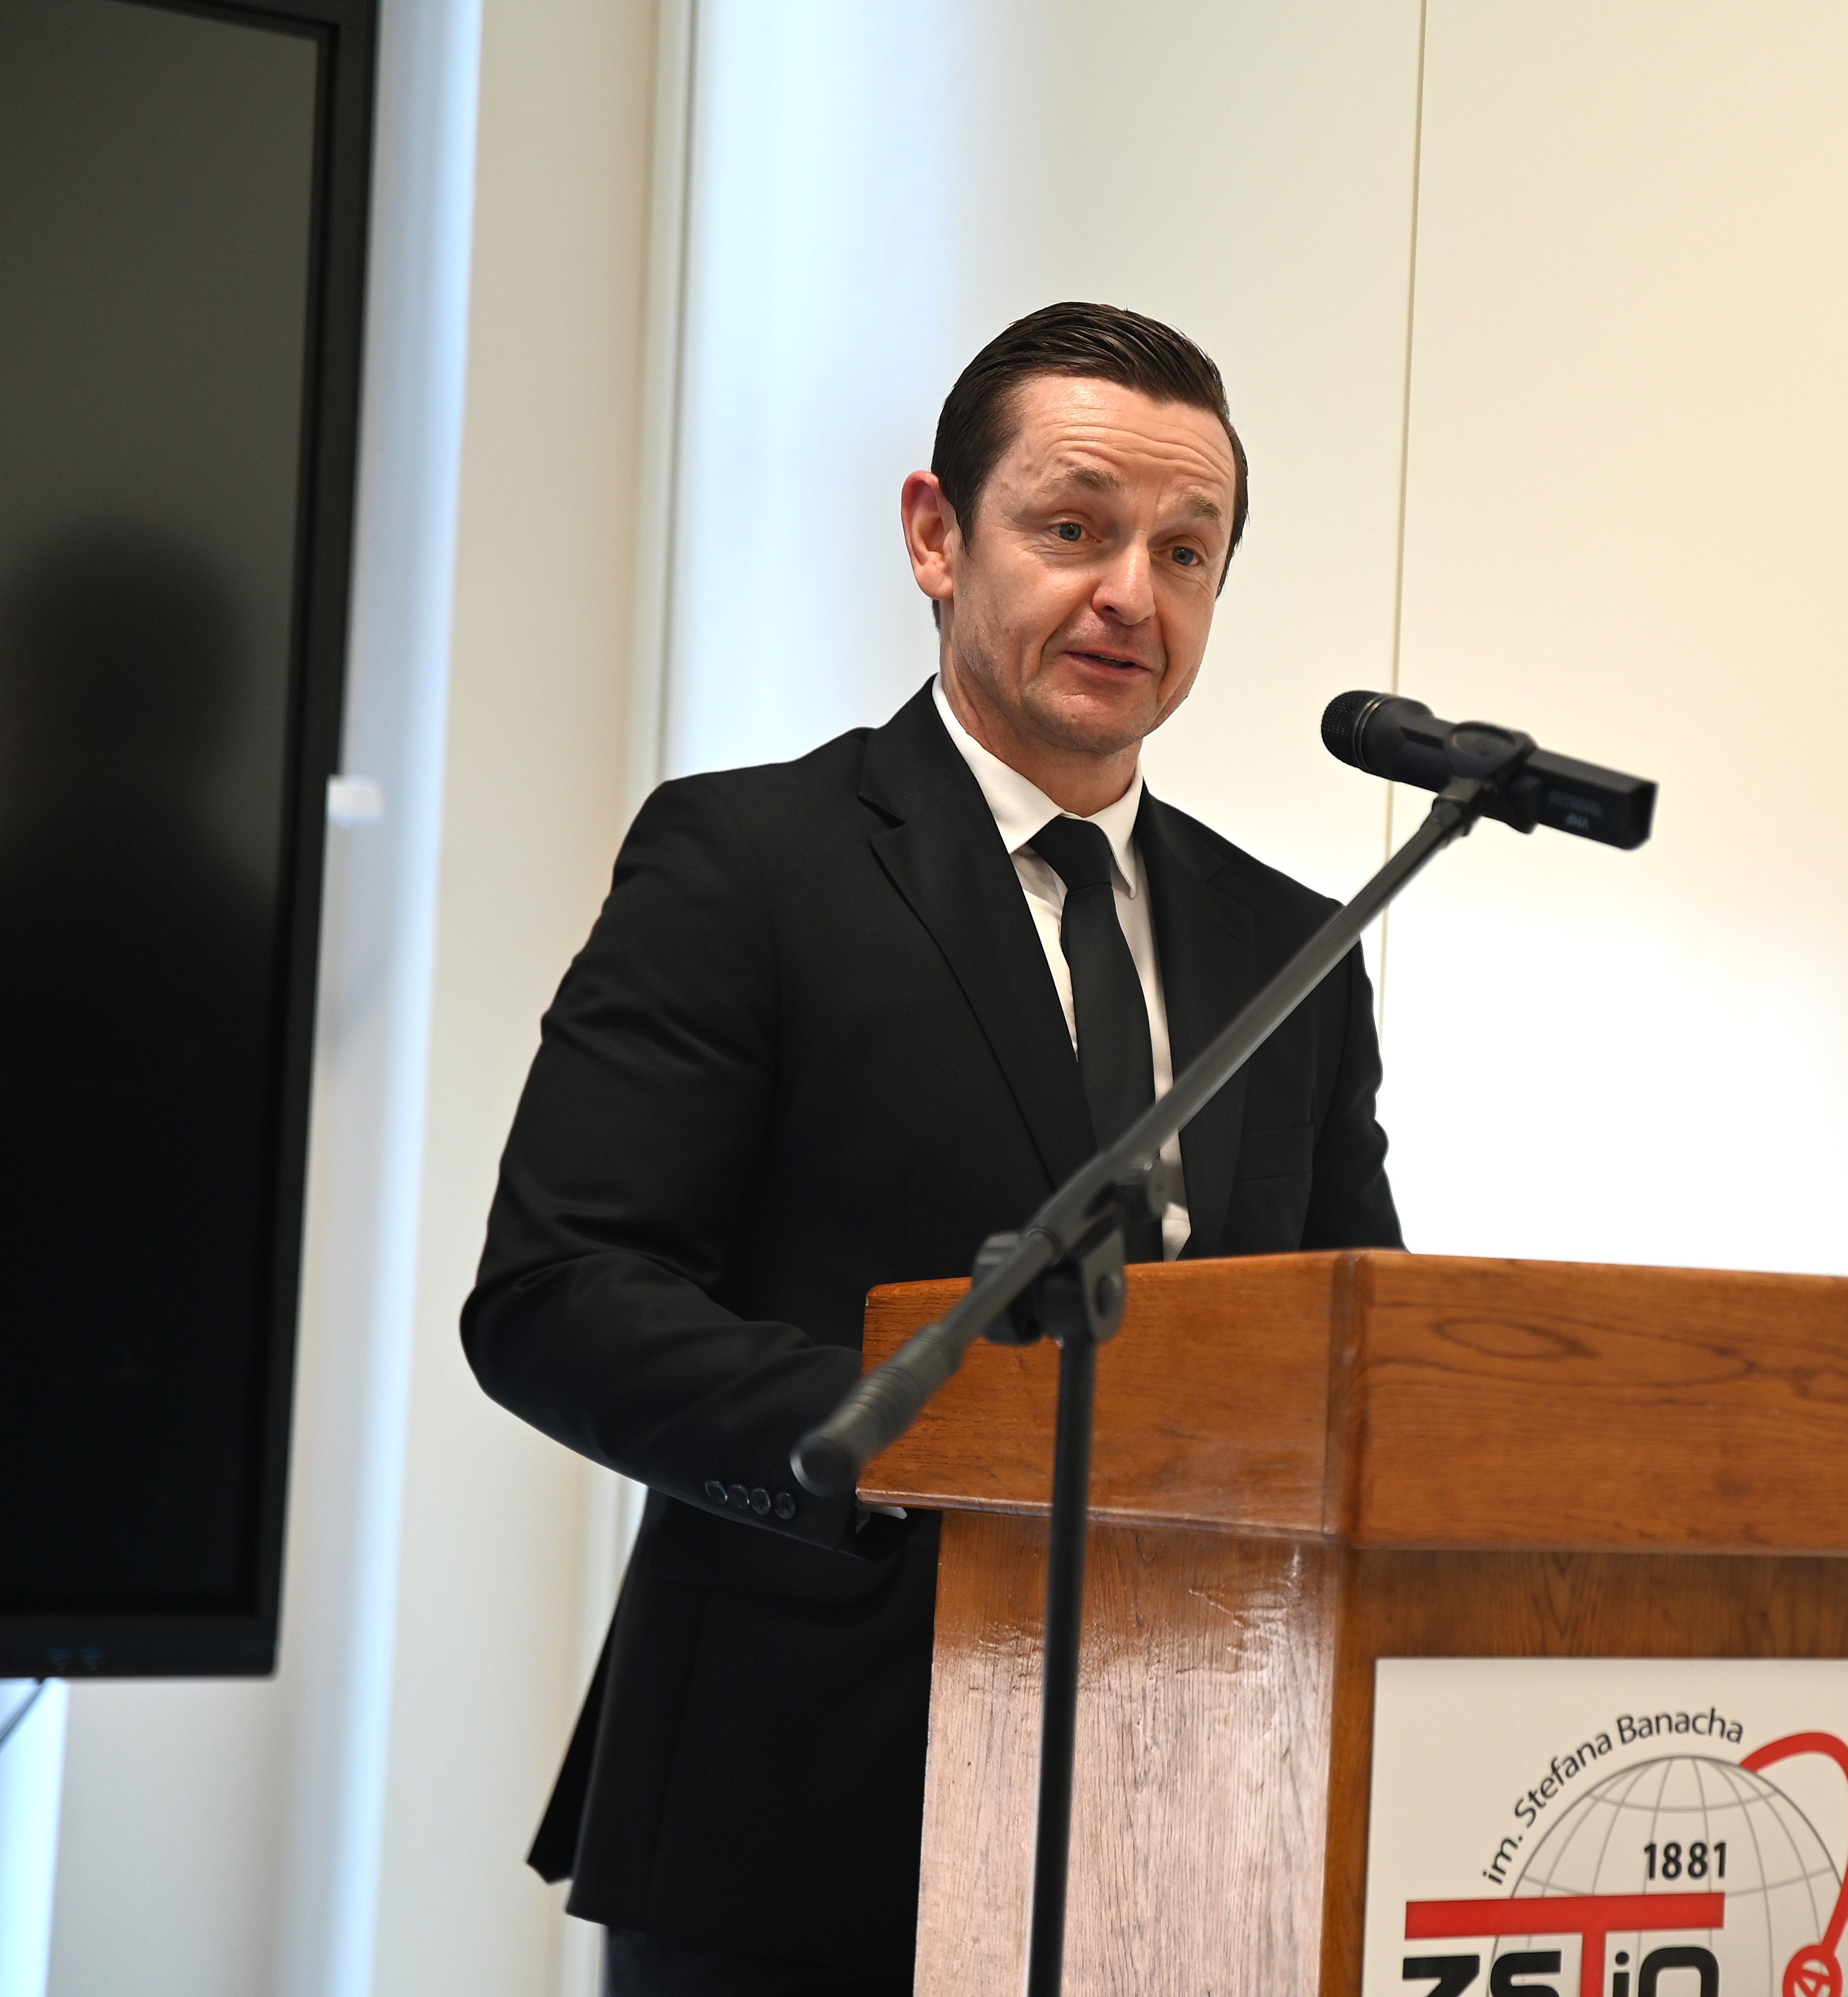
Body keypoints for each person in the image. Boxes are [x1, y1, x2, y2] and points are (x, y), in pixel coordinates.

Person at [463, 302, 1404, 1995]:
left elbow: (1362, 1357)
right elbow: (560, 1295)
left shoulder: (1295, 951)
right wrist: (937, 1439)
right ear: (935, 536)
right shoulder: (748, 862)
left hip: (1199, 1821)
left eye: (1185, 552)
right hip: (804, 1806)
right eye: (1074, 528)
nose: (1131, 594)